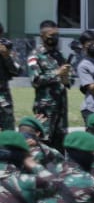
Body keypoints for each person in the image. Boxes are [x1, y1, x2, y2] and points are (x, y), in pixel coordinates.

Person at [28, 20, 70, 150]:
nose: (55, 39)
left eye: (57, 36)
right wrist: (57, 73)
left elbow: (68, 82)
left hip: (61, 108)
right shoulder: (35, 56)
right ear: (42, 36)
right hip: (45, 109)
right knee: (44, 142)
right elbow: (35, 80)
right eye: (51, 36)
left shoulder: (59, 55)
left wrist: (65, 77)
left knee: (60, 143)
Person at [0, 22, 21, 131]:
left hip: (3, 96)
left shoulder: (6, 49)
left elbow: (17, 71)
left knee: (8, 131)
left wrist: (6, 56)